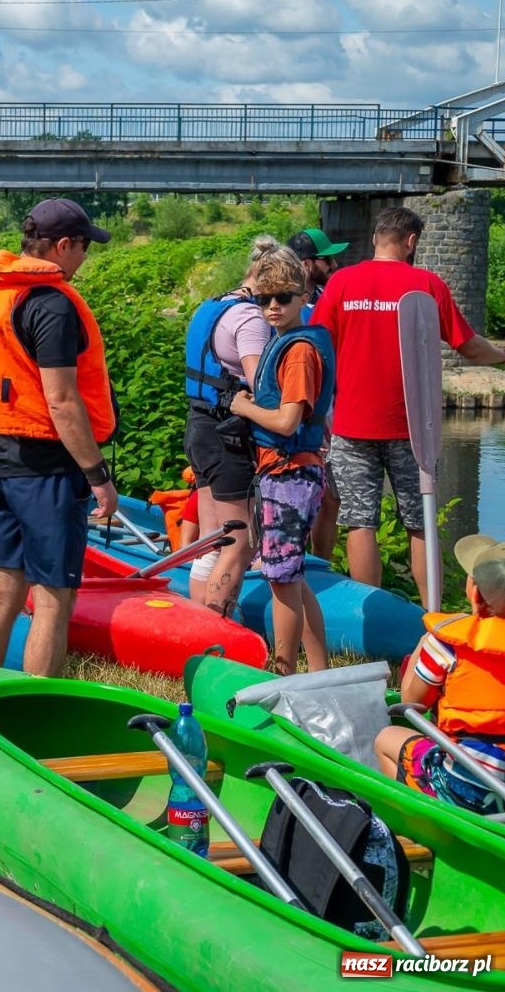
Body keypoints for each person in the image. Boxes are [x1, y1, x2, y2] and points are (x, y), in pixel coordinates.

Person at [0, 198, 118, 679]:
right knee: (53, 599)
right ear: (63, 246)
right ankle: (39, 706)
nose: (85, 258)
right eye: (84, 247)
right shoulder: (49, 305)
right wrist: (98, 475)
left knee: (4, 588)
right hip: (47, 471)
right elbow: (62, 402)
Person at [311, 207, 505, 591]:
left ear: (375, 239)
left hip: (351, 424)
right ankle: (428, 614)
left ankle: (373, 612)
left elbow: (317, 347)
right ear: (411, 241)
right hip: (414, 427)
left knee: (360, 522)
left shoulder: (342, 283)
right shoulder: (427, 285)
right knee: (420, 522)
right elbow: (469, 348)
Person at [228, 243, 335, 675]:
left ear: (303, 297)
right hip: (284, 469)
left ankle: (285, 670)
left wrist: (244, 406)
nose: (272, 307)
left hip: (290, 471)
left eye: (283, 298)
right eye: (263, 299)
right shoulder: (285, 342)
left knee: (280, 575)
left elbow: (289, 421)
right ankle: (320, 670)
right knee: (291, 573)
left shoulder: (298, 351)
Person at [373, 534, 505, 817]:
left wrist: (425, 641)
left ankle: (414, 824)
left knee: (387, 738)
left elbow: (412, 703)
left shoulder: (449, 643)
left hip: (468, 784)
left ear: (475, 592)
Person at [182, 235, 274, 616]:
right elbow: (260, 384)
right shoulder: (251, 318)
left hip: (199, 427)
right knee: (240, 542)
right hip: (226, 436)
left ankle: (199, 626)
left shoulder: (214, 305)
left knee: (211, 538)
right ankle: (219, 624)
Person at [288, 226, 349, 557]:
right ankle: (294, 560)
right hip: (303, 414)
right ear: (308, 264)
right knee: (305, 492)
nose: (335, 265)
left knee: (330, 496)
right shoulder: (285, 303)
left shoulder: (328, 299)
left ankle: (318, 565)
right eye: (328, 260)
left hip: (323, 410)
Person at [286, 226, 348, 314]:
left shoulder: (326, 298)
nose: (335, 264)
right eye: (327, 259)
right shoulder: (281, 302)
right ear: (306, 265)